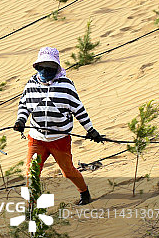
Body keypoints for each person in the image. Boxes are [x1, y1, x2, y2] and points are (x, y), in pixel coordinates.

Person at [12, 47, 104, 205]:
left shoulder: (66, 85)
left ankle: (84, 193)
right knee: (31, 173)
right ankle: (32, 208)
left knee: (68, 172)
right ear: (37, 67)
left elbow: (79, 109)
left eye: (49, 67)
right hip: (36, 138)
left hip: (60, 139)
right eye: (41, 67)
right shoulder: (31, 84)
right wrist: (21, 121)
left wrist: (91, 131)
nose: (44, 71)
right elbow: (24, 105)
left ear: (56, 68)